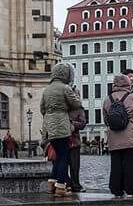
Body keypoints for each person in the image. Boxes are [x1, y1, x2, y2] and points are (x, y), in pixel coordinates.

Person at [40, 62, 83, 198]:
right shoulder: (65, 88)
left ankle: (51, 185)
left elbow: (42, 108)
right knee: (63, 156)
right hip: (62, 125)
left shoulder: (47, 89)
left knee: (57, 156)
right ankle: (60, 187)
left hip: (49, 126)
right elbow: (77, 104)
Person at [103, 72, 133, 199]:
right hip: (130, 136)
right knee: (131, 164)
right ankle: (131, 189)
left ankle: (116, 190)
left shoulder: (107, 99)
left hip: (114, 138)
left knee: (116, 165)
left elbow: (106, 120)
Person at [67, 103, 88, 193]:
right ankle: (67, 184)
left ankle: (75, 185)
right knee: (62, 165)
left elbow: (83, 124)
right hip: (62, 140)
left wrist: (71, 123)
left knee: (75, 166)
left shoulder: (78, 109)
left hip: (74, 141)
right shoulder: (61, 108)